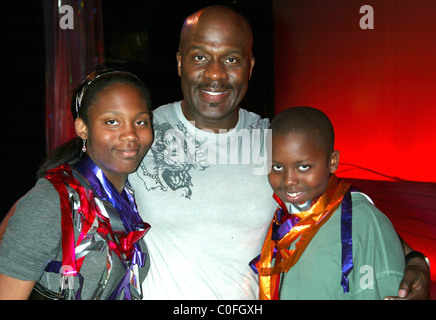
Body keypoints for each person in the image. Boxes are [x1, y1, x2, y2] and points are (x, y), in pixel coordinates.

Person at [129, 5, 430, 299]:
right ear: (181, 62)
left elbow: (341, 207)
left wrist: (414, 259)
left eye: (231, 59)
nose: (216, 74)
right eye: (200, 57)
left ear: (250, 66)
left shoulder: (273, 143)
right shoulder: (139, 137)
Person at [0, 68, 153, 300]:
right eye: (112, 122)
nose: (130, 134)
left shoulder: (130, 200)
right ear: (83, 128)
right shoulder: (52, 200)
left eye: (140, 121)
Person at [253, 106, 405, 299]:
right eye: (277, 166)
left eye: (303, 166)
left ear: (332, 161)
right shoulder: (281, 219)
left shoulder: (363, 221)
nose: (289, 180)